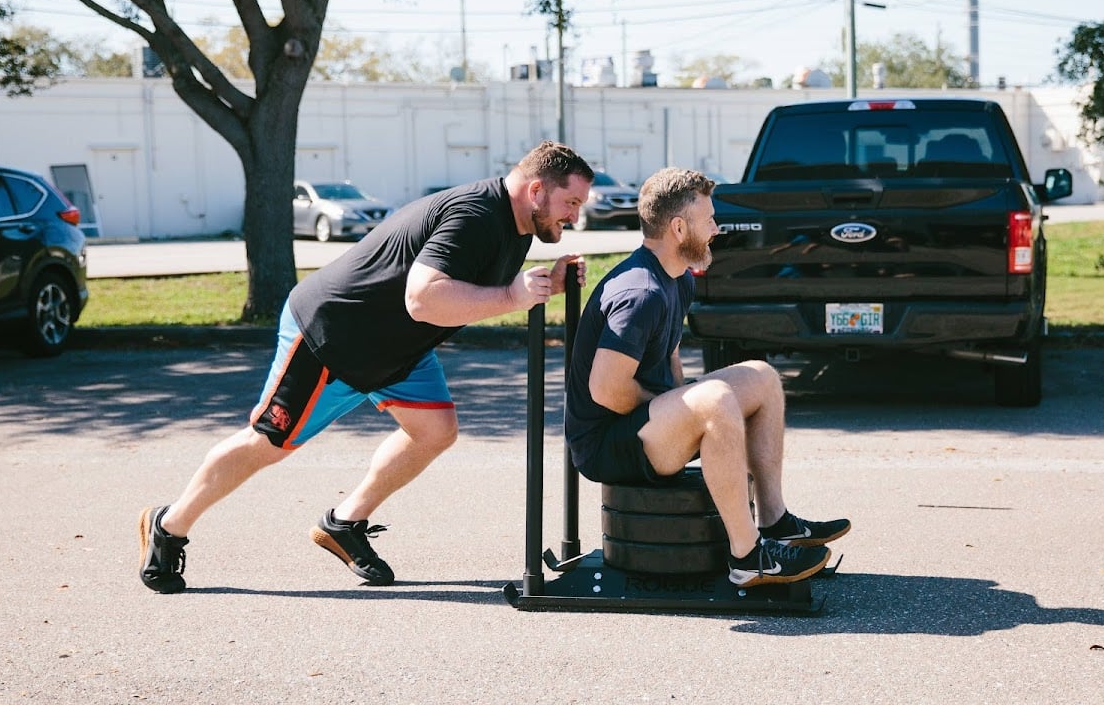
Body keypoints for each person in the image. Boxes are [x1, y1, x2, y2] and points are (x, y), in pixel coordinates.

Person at [139, 141, 595, 593]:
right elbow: (423, 298)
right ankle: (169, 524)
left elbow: (462, 291)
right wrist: (513, 296)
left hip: (396, 349)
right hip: (334, 337)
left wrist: (545, 285)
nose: (573, 216)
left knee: (435, 430)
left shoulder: (514, 224)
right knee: (268, 442)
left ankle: (344, 522)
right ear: (536, 190)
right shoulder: (474, 216)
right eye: (570, 202)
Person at [564, 167, 850, 588]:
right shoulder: (639, 292)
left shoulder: (675, 279)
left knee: (762, 377)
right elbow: (605, 390)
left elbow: (669, 354)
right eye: (709, 220)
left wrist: (680, 405)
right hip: (607, 445)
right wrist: (685, 411)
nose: (717, 228)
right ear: (679, 228)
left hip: (642, 425)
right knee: (714, 399)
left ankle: (774, 523)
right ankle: (747, 557)